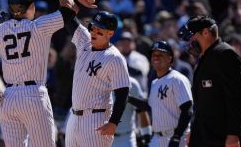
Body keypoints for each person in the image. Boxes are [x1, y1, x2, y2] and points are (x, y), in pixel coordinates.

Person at [0, 0, 89, 147]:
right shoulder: (39, 26)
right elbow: (71, 8)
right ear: (29, 7)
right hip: (33, 95)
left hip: (9, 97)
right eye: (33, 4)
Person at [178, 15, 241, 147]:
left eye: (192, 37)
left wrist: (233, 135)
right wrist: (193, 130)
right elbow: (201, 103)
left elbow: (237, 97)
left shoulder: (225, 54)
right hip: (203, 135)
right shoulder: (204, 58)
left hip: (222, 137)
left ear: (205, 33)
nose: (190, 42)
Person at [65, 10, 131, 147]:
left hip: (96, 118)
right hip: (74, 117)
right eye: (92, 27)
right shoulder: (85, 42)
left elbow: (122, 92)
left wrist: (113, 122)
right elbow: (67, 17)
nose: (94, 32)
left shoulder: (114, 57)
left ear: (110, 33)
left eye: (99, 29)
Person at [128, 41, 193, 147]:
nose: (156, 58)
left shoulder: (177, 79)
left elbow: (187, 109)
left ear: (170, 58)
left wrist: (177, 136)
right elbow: (149, 106)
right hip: (157, 138)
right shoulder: (154, 82)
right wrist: (129, 98)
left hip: (175, 137)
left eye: (161, 55)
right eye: (154, 55)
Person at [112, 76, 150, 147]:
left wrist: (146, 136)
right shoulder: (98, 83)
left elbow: (141, 111)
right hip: (102, 138)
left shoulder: (132, 83)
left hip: (126, 138)